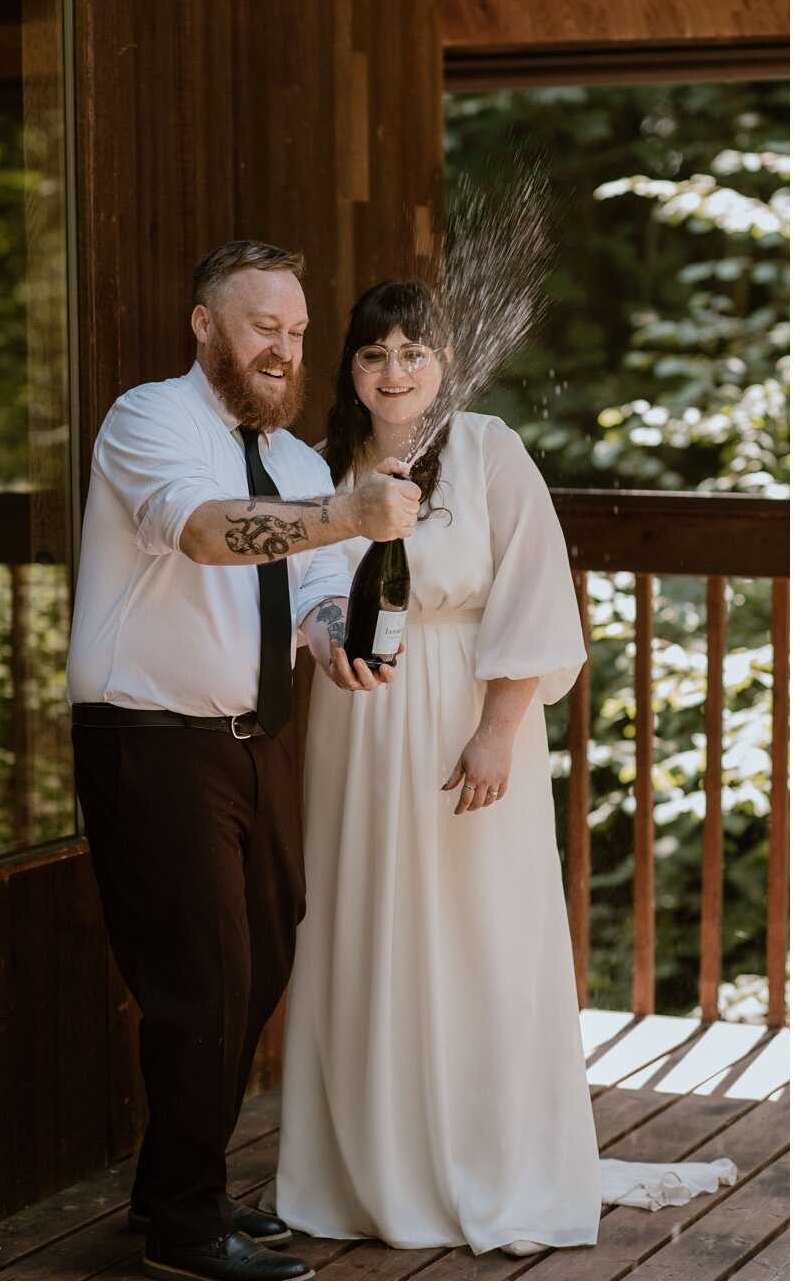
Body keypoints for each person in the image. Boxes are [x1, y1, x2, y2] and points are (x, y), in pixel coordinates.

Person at [272, 280, 732, 1257]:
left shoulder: (485, 450)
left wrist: (497, 727)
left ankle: (492, 1157)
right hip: (356, 722)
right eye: (373, 354)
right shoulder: (322, 468)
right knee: (366, 920)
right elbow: (300, 588)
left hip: (465, 708)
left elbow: (532, 592)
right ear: (349, 372)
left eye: (413, 351)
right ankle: (368, 1174)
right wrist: (322, 641)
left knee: (481, 927)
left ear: (443, 362)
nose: (394, 370)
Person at [65, 241, 420, 1283]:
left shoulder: (300, 461)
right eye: (264, 324)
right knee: (206, 984)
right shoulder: (150, 420)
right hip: (153, 739)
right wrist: (349, 515)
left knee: (256, 964)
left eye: (300, 331)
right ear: (205, 324)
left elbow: (309, 585)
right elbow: (209, 535)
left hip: (256, 741)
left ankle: (177, 1191)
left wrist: (331, 634)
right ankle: (182, 1230)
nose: (286, 346)